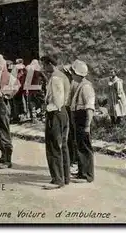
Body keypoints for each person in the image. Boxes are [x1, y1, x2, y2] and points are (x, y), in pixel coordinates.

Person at [40, 56, 70, 189]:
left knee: (54, 146)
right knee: (62, 146)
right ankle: (65, 177)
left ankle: (58, 179)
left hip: (56, 113)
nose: (43, 68)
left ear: (50, 64)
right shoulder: (62, 76)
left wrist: (45, 108)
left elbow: (57, 101)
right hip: (62, 113)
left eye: (44, 65)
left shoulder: (56, 78)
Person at [0, 54, 20, 169]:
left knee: (3, 129)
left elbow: (17, 85)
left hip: (2, 103)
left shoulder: (7, 75)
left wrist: (6, 93)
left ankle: (8, 160)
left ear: (2, 63)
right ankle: (3, 155)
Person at [69, 60, 95, 183]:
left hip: (83, 117)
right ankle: (81, 171)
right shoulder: (78, 84)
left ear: (78, 73)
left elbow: (90, 107)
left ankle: (87, 175)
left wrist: (87, 125)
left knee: (85, 147)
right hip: (77, 116)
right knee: (79, 145)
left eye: (73, 72)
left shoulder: (86, 87)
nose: (72, 75)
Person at [61, 64, 78, 175]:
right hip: (67, 110)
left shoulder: (75, 84)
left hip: (74, 112)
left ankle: (75, 162)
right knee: (69, 137)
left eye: (67, 73)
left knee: (73, 137)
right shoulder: (67, 83)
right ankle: (71, 161)